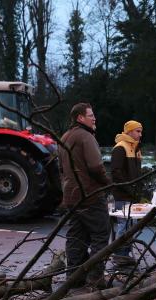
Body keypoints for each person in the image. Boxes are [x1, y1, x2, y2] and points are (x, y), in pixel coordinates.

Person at [58, 103, 112, 288]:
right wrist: (108, 183)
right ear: (80, 118)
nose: (94, 118)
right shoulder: (86, 137)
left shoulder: (65, 137)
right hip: (90, 195)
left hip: (71, 196)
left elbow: (61, 168)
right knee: (100, 235)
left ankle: (73, 278)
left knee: (76, 237)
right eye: (91, 115)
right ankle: (95, 279)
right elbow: (96, 167)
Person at [110, 120, 143, 267]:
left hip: (131, 194)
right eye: (137, 131)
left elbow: (136, 173)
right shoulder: (120, 148)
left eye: (141, 131)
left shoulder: (134, 148)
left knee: (131, 224)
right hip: (122, 194)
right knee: (124, 224)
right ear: (129, 132)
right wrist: (129, 188)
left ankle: (125, 254)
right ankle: (119, 255)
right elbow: (116, 172)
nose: (140, 134)